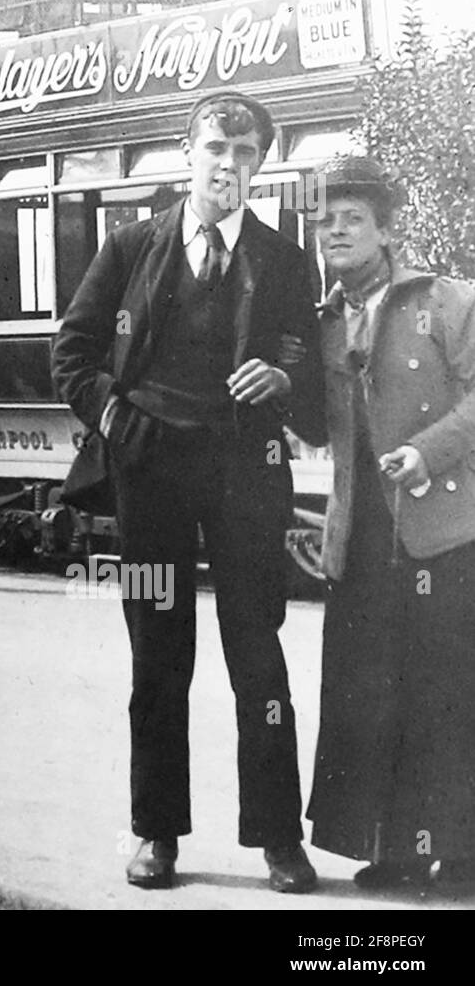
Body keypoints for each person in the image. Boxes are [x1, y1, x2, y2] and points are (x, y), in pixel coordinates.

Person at [52, 90, 327, 894]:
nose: (229, 167)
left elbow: (307, 369)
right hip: (150, 483)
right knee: (157, 657)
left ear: (261, 165)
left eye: (246, 155)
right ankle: (157, 833)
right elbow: (71, 354)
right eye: (216, 149)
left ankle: (279, 840)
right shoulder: (131, 247)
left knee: (258, 658)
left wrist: (283, 374)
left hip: (249, 478)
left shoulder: (283, 260)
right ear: (186, 152)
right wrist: (122, 424)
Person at [298, 156, 475, 889]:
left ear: (384, 227)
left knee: (447, 690)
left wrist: (426, 453)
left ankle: (463, 854)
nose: (336, 230)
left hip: (445, 532)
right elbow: (312, 423)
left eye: (352, 218)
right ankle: (395, 851)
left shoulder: (448, 300)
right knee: (370, 694)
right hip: (362, 540)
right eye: (324, 219)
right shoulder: (318, 323)